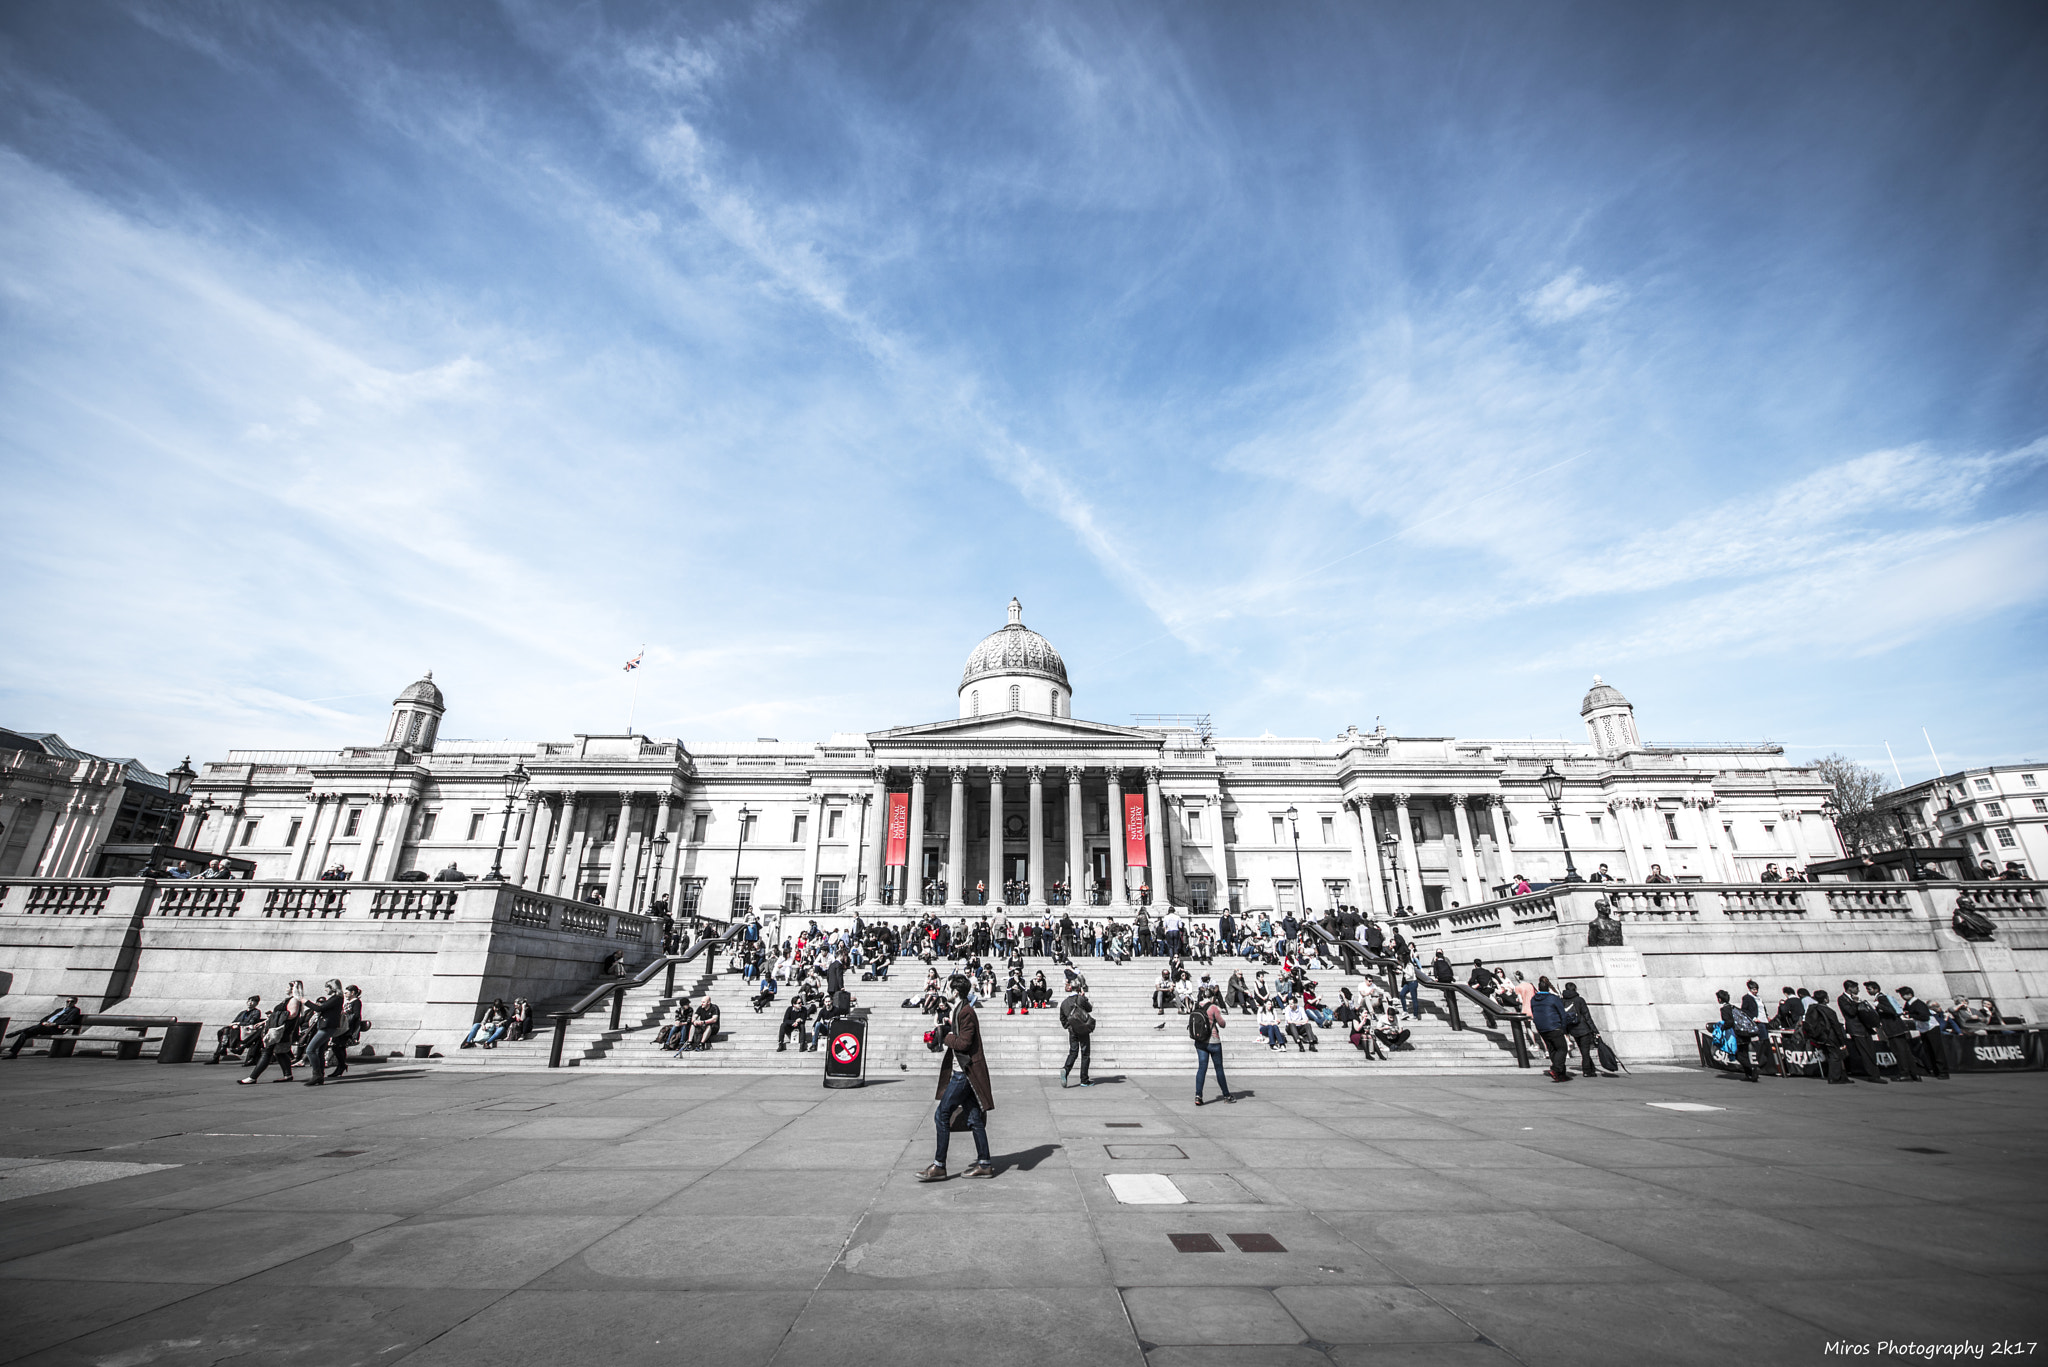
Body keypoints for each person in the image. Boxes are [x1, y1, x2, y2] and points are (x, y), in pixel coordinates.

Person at [920, 974, 994, 1181]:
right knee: (973, 1118)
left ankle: (939, 1166)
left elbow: (963, 1044)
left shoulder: (966, 1012)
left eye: (948, 989)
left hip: (964, 1073)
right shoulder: (960, 1010)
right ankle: (985, 1164)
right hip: (964, 1072)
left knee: (941, 1114)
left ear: (955, 992)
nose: (945, 993)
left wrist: (946, 1036)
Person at [240, 983, 304, 1083]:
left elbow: (292, 1014)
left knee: (267, 1051)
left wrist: (275, 1015)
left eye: (288, 987)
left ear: (293, 989)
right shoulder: (290, 999)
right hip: (280, 1029)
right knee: (280, 1053)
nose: (286, 989)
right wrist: (266, 1021)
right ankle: (287, 1075)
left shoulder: (294, 1000)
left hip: (281, 1030)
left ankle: (253, 1077)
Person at [1867, 980, 1924, 1082]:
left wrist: (1878, 1005)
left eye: (1869, 989)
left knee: (1899, 1052)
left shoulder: (1881, 998)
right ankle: (1914, 1073)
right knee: (1905, 1051)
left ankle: (1905, 1073)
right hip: (1898, 1028)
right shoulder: (1882, 997)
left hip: (1894, 1029)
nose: (1868, 991)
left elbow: (1891, 1010)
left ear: (1875, 989)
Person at [1836, 981, 1890, 1083]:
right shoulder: (1842, 999)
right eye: (1856, 988)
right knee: (1865, 1052)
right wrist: (1855, 1003)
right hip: (1856, 1029)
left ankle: (1875, 1073)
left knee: (1871, 1051)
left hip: (1865, 1028)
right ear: (1850, 988)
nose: (1858, 990)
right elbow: (1850, 1012)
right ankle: (1873, 1075)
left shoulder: (1854, 999)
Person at [1802, 988, 1854, 1084]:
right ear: (1826, 999)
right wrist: (1842, 1041)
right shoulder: (1829, 1011)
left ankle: (1841, 1076)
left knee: (1831, 1056)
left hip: (1821, 1037)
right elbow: (1836, 1027)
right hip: (1831, 1037)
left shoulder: (1814, 1009)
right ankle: (1834, 1077)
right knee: (1835, 1056)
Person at [301, 979, 348, 1085]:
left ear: (333, 988)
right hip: (326, 1026)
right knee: (319, 1051)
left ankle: (316, 1074)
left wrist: (305, 1001)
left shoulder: (336, 998)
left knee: (310, 1050)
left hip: (327, 1027)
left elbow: (319, 1008)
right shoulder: (336, 998)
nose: (325, 989)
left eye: (327, 987)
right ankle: (320, 1075)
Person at [1189, 992, 1232, 1105]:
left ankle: (1198, 1096)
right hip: (1213, 1041)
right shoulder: (1213, 1008)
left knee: (1202, 1069)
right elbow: (1222, 1024)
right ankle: (1226, 1095)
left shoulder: (1196, 1006)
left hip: (1199, 1041)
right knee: (1219, 1069)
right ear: (1212, 997)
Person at [6, 997, 83, 1058]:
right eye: (68, 1001)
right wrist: (44, 1022)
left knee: (34, 1028)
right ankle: (13, 1053)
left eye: (71, 1001)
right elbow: (46, 1017)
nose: (69, 1003)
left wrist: (54, 1024)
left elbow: (69, 1021)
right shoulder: (59, 1010)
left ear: (75, 1002)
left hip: (55, 1029)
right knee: (24, 1034)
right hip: (44, 1027)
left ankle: (17, 1032)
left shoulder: (75, 1010)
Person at [1529, 977, 1574, 1082]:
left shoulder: (1533, 999)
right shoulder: (1553, 998)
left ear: (1538, 988)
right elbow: (1562, 1014)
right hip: (1554, 1026)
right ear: (1548, 988)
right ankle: (1556, 1069)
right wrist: (1563, 1027)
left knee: (1552, 1049)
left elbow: (1534, 1012)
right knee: (1562, 1048)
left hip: (1542, 1027)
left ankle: (1560, 1074)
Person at [1560, 983, 1604, 1077]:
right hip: (1584, 1028)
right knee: (1585, 1051)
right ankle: (1587, 1071)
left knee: (1583, 1050)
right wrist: (1595, 1030)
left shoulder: (1562, 1001)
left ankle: (1591, 1069)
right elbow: (1587, 1016)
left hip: (1573, 1029)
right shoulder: (1579, 1000)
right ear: (1575, 989)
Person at [1715, 989, 1759, 1082]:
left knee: (1738, 1055)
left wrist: (1722, 1028)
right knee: (1745, 1054)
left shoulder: (1724, 1009)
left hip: (1737, 1035)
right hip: (1745, 1033)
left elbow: (1729, 1022)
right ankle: (1749, 1075)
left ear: (1719, 999)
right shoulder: (1733, 1007)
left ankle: (1752, 1068)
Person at [209, 996, 266, 1065]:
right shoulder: (242, 1012)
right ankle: (223, 1049)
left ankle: (224, 1048)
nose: (250, 1003)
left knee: (226, 1034)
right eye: (249, 1001)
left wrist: (238, 1024)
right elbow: (234, 1021)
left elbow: (251, 1022)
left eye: (252, 1001)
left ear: (256, 1003)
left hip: (246, 1031)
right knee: (224, 1031)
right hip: (236, 1030)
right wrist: (234, 1025)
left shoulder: (256, 1012)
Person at [1059, 979, 1094, 1088]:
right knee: (1085, 1053)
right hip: (1083, 1028)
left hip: (1072, 1030)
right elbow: (1089, 1009)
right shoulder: (1081, 999)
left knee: (1073, 1052)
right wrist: (1084, 997)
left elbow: (1062, 1018)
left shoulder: (1064, 1002)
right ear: (1079, 988)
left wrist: (1068, 1026)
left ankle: (1066, 1069)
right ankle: (1084, 1079)